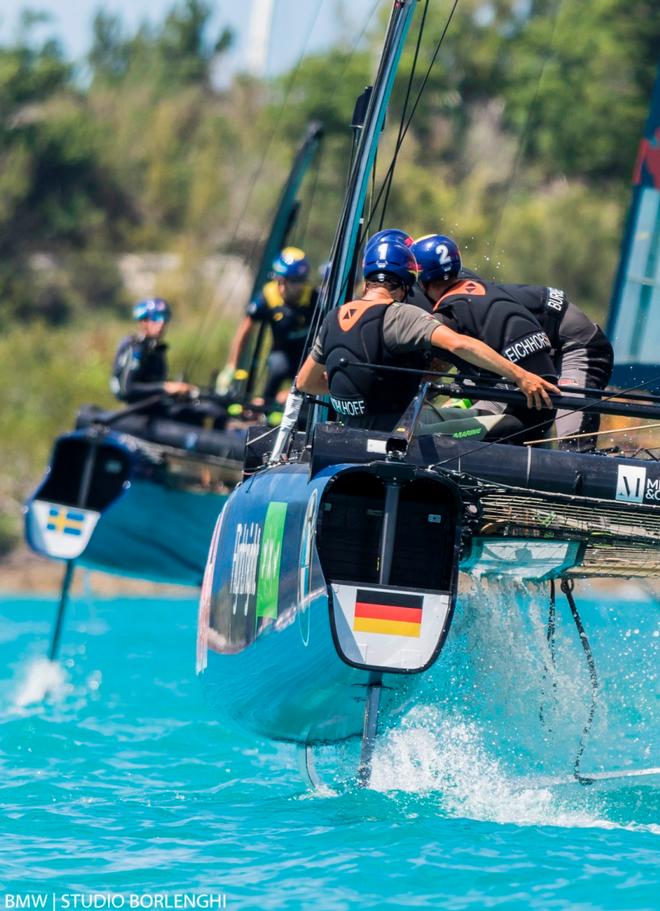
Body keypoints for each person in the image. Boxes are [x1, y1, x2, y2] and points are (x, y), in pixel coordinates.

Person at [296, 241, 558, 436]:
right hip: (400, 435)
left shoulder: (333, 318)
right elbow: (460, 344)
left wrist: (360, 391)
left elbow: (305, 381)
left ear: (367, 282)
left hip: (353, 430)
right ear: (405, 286)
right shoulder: (401, 315)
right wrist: (520, 375)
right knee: (512, 425)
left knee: (464, 413)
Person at [417, 233, 614, 449]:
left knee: (573, 444)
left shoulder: (451, 314)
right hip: (530, 351)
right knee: (494, 418)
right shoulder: (462, 291)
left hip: (574, 342)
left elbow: (449, 354)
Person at [412, 234, 561, 442]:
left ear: (422, 281)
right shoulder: (487, 290)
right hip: (540, 409)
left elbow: (450, 352)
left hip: (515, 419)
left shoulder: (447, 316)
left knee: (411, 430)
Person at [218, 247, 318, 402]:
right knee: (278, 367)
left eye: (289, 281)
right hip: (281, 351)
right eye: (279, 280)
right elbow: (244, 331)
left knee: (306, 385)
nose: (282, 287)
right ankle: (264, 406)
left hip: (308, 355)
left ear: (301, 281)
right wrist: (231, 366)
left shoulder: (314, 298)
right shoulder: (268, 295)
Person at [111, 298, 197, 404]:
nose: (161, 323)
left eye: (165, 318)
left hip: (156, 406)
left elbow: (153, 382)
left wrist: (176, 387)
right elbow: (128, 388)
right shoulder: (137, 347)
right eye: (156, 318)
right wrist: (165, 387)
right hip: (139, 411)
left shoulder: (156, 348)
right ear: (144, 321)